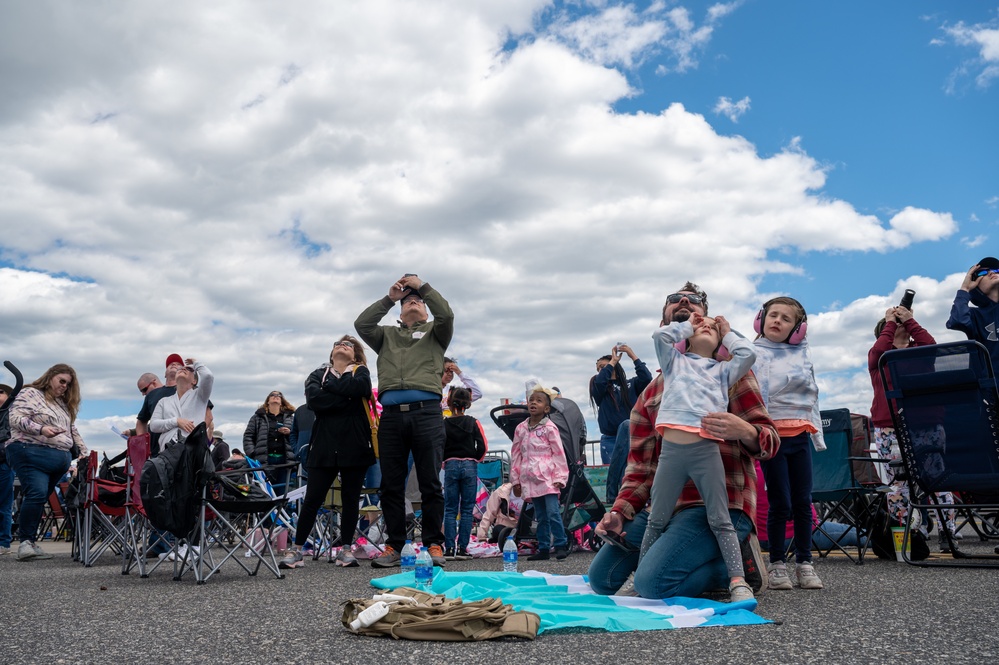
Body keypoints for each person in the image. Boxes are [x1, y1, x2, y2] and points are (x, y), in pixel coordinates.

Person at [589, 283, 779, 599]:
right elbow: (640, 468)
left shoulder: (730, 374)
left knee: (653, 585)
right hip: (667, 507)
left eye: (695, 307)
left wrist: (744, 430)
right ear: (671, 329)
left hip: (720, 506)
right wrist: (619, 513)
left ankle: (735, 569)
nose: (685, 303)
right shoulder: (648, 396)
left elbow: (770, 441)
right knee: (602, 579)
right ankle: (694, 558)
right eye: (677, 304)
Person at [642, 310, 757, 603]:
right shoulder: (673, 363)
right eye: (700, 325)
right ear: (687, 339)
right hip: (671, 453)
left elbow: (748, 354)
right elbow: (659, 336)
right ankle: (640, 574)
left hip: (706, 450)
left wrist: (727, 331)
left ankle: (738, 580)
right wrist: (685, 326)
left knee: (720, 518)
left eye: (710, 327)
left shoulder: (724, 370)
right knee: (657, 518)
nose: (704, 326)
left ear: (720, 341)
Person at [354, 274, 453, 568]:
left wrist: (423, 287)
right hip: (393, 417)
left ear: (425, 310)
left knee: (430, 482)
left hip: (427, 413)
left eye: (419, 301)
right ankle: (394, 545)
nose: (414, 301)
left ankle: (434, 543)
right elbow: (362, 325)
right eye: (408, 300)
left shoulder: (436, 332)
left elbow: (446, 314)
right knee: (391, 484)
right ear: (399, 313)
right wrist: (389, 299)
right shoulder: (386, 336)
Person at [280, 335, 378, 569]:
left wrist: (333, 388)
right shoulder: (317, 375)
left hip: (354, 443)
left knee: (350, 498)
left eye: (348, 345)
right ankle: (297, 549)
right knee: (313, 497)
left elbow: (361, 388)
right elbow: (315, 401)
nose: (342, 346)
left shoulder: (360, 371)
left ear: (355, 355)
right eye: (338, 344)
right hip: (323, 444)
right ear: (331, 353)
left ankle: (345, 549)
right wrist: (346, 396)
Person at [752, 296, 825, 590]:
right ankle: (778, 564)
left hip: (800, 436)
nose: (777, 321)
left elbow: (812, 397)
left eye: (786, 318)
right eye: (773, 315)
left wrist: (817, 436)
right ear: (761, 319)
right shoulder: (751, 352)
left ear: (798, 329)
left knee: (803, 501)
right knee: (779, 502)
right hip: (772, 438)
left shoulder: (803, 356)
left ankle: (805, 563)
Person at [871, 304, 957, 550]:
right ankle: (908, 535)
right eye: (892, 324)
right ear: (883, 331)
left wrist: (910, 321)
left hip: (926, 424)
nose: (898, 325)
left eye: (901, 323)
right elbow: (879, 351)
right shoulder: (880, 356)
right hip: (890, 427)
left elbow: (932, 345)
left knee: (937, 478)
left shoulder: (919, 351)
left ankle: (947, 534)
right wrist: (890, 322)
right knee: (898, 483)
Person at [6, 364, 89, 560]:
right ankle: (25, 543)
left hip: (57, 459)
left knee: (39, 497)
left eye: (68, 384)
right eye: (61, 381)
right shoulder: (31, 393)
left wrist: (84, 451)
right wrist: (41, 429)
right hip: (30, 451)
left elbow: (72, 430)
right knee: (36, 494)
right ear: (50, 376)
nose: (64, 386)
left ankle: (31, 542)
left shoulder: (61, 404)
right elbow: (15, 418)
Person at [511, 384, 570, 561]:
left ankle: (560, 544)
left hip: (548, 478)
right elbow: (516, 454)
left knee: (553, 512)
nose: (533, 403)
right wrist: (516, 480)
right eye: (531, 400)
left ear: (546, 408)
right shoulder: (521, 428)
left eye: (539, 401)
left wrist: (560, 477)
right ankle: (543, 548)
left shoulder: (550, 428)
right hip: (530, 479)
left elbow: (559, 453)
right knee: (541, 516)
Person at [442, 387, 487, 559]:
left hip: (451, 464)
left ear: (449, 402)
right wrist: (475, 459)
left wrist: (444, 460)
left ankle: (448, 549)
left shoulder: (444, 423)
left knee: (450, 509)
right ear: (467, 404)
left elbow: (439, 445)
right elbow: (482, 446)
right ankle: (462, 548)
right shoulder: (473, 422)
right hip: (469, 464)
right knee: (467, 509)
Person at [590, 344, 652, 464]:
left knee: (634, 472)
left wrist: (632, 355)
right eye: (598, 369)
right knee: (613, 475)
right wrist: (612, 361)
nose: (600, 371)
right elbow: (600, 381)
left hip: (632, 436)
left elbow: (646, 378)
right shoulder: (599, 388)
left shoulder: (631, 384)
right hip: (610, 439)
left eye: (603, 367)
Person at [947, 257, 999, 375]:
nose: (991, 273)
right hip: (992, 388)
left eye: (996, 270)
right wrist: (965, 289)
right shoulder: (975, 315)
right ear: (975, 286)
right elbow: (957, 321)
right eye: (982, 272)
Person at [148, 359, 214, 448]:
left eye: (190, 369)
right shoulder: (163, 401)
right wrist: (176, 421)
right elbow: (153, 425)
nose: (183, 369)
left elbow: (208, 376)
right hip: (167, 454)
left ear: (194, 381)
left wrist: (195, 363)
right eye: (180, 369)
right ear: (175, 377)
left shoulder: (200, 396)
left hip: (192, 452)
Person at [243, 391, 296, 465]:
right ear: (268, 401)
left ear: (281, 401)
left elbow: (296, 436)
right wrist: (252, 453)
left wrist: (289, 433)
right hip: (263, 459)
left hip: (286, 460)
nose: (276, 396)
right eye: (272, 395)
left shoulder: (291, 418)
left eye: (279, 395)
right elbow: (248, 436)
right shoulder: (257, 418)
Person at [0, 383, 14, 555]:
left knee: (4, 505)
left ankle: (4, 542)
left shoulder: (11, 414)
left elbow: (9, 434)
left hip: (3, 462)